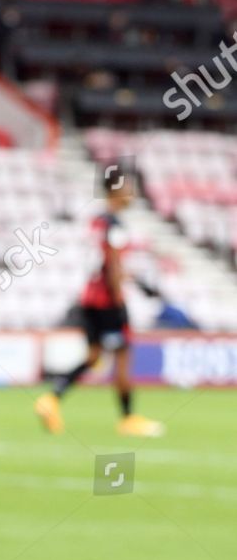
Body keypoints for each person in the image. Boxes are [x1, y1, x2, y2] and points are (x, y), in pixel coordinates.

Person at [35, 174, 163, 437]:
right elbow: (112, 267)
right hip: (108, 303)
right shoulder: (114, 224)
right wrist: (119, 302)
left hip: (89, 298)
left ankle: (52, 398)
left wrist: (136, 282)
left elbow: (102, 264)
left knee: (94, 357)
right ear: (115, 192)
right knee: (124, 356)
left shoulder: (97, 221)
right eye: (127, 188)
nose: (131, 193)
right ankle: (128, 418)